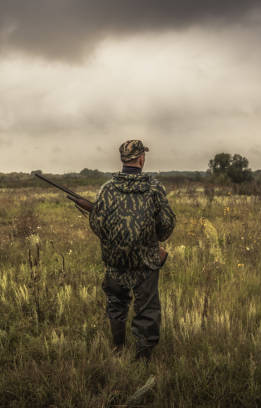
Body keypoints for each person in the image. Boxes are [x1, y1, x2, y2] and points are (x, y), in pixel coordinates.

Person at [89, 140, 176, 360]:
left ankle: (118, 348)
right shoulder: (154, 188)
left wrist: (116, 242)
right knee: (146, 309)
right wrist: (151, 239)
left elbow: (97, 224)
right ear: (141, 158)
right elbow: (166, 226)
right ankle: (143, 358)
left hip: (115, 261)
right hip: (146, 261)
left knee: (117, 303)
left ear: (122, 159)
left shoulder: (107, 189)